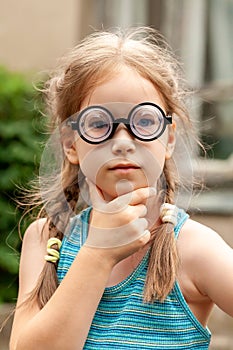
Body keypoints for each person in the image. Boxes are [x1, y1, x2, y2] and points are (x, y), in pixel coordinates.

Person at [10, 27, 233, 350]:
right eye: (99, 124)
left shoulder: (194, 248)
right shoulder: (45, 240)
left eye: (144, 122)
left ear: (168, 139)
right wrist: (97, 254)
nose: (124, 142)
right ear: (71, 144)